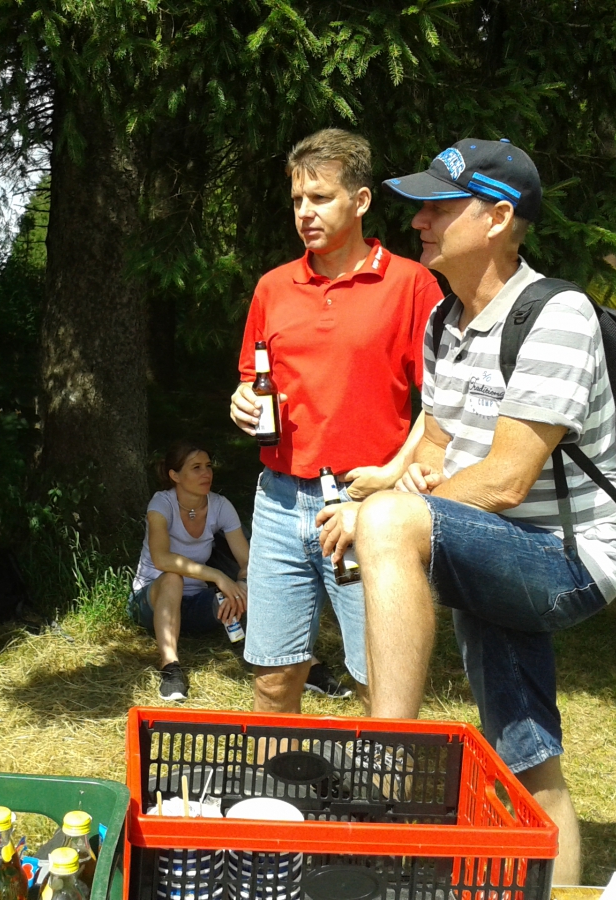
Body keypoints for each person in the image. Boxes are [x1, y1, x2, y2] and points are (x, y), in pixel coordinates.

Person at [335, 138, 616, 884]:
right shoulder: (445, 321)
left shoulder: (556, 313)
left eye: (439, 207)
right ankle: (560, 891)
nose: (419, 222)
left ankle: (388, 762)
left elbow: (504, 480)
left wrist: (387, 510)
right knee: (528, 762)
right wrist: (399, 480)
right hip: (492, 547)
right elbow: (436, 449)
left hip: (566, 560)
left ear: (498, 218)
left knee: (389, 521)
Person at [229, 128, 443, 714]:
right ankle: (279, 776)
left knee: (380, 680)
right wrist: (242, 400)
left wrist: (394, 476)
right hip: (278, 501)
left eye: (320, 198)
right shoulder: (274, 287)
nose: (305, 212)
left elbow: (441, 403)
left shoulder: (411, 284)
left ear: (361, 200)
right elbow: (253, 378)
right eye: (298, 199)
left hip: (364, 506)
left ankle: (384, 777)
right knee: (274, 678)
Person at [130, 442, 249, 701]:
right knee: (173, 578)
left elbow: (247, 562)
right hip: (151, 600)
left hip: (195, 603)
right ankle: (170, 668)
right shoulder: (161, 503)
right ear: (175, 475)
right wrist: (217, 576)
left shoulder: (220, 505)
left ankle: (257, 654)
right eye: (196, 468)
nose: (206, 473)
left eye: (208, 466)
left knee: (240, 591)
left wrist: (242, 585)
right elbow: (162, 559)